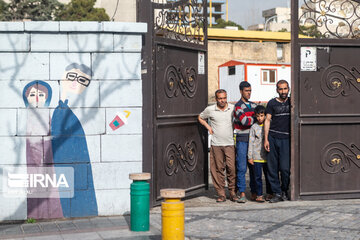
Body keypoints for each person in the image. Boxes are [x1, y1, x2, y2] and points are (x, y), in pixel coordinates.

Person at [51, 63, 98, 217]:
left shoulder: (76, 111)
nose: (75, 82)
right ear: (62, 77)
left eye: (83, 81)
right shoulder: (59, 110)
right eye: (72, 76)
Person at [198, 89, 238, 202]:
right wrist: (208, 127)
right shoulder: (210, 110)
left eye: (224, 98)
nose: (222, 100)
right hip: (216, 144)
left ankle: (232, 192)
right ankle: (221, 194)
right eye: (220, 98)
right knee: (218, 169)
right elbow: (200, 117)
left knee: (231, 168)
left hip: (230, 143)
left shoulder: (232, 108)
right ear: (216, 99)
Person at [264, 79, 291, 203]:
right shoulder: (271, 103)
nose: (283, 91)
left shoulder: (292, 102)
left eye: (285, 88)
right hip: (273, 138)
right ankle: (277, 193)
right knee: (272, 168)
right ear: (277, 90)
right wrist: (266, 139)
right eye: (281, 89)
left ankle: (285, 190)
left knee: (285, 168)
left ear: (289, 89)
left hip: (286, 139)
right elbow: (267, 120)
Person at [234, 81, 257, 203]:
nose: (249, 93)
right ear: (241, 91)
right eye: (247, 91)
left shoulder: (253, 105)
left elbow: (258, 120)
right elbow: (245, 122)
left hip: (253, 141)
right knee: (242, 168)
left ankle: (254, 192)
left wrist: (252, 118)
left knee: (254, 167)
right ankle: (242, 193)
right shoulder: (237, 106)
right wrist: (256, 118)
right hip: (242, 140)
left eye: (250, 90)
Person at [248, 105, 272, 202]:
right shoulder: (254, 127)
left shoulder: (269, 124)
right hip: (257, 157)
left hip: (267, 156)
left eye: (262, 116)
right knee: (257, 177)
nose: (260, 118)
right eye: (258, 116)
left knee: (268, 176)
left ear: (265, 115)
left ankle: (270, 193)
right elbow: (251, 142)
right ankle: (259, 194)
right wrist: (250, 156)